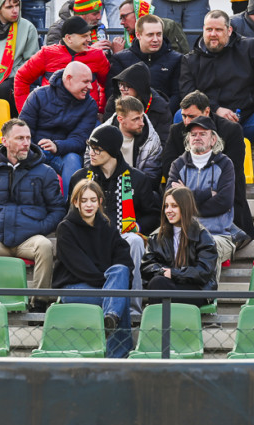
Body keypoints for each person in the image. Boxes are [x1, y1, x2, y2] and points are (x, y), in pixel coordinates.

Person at [179, 10, 254, 186]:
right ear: (203, 30)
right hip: (209, 122)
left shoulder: (250, 47)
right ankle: (186, 175)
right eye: (209, 30)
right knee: (181, 116)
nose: (213, 34)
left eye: (218, 30)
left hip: (246, 120)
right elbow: (187, 93)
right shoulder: (190, 59)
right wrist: (215, 109)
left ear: (229, 30)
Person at [0, 119, 66, 310]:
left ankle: (40, 303)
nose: (26, 143)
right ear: (5, 141)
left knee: (44, 245)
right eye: (20, 138)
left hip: (29, 240)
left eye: (28, 138)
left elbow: (58, 210)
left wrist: (41, 228)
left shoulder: (45, 173)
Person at [68, 125, 160, 315]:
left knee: (135, 241)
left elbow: (153, 214)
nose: (91, 153)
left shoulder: (137, 179)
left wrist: (136, 226)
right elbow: (69, 213)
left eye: (97, 149)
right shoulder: (81, 178)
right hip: (89, 236)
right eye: (90, 148)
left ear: (111, 151)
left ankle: (133, 308)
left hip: (123, 236)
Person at [53, 180, 134, 357]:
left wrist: (115, 282)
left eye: (93, 200)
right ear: (75, 202)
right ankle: (118, 356)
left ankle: (111, 318)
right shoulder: (66, 228)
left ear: (99, 202)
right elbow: (80, 267)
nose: (89, 205)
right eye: (84, 200)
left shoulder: (108, 227)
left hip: (103, 288)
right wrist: (111, 285)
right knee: (120, 297)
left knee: (120, 271)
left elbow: (125, 259)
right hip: (73, 288)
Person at [160, 91, 253, 242]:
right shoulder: (176, 131)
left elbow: (230, 176)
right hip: (188, 214)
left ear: (207, 111)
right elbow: (169, 169)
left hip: (227, 209)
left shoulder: (231, 130)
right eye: (184, 116)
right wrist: (208, 193)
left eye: (192, 116)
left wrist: (187, 196)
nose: (187, 121)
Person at [166, 116, 242, 280]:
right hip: (183, 233)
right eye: (193, 134)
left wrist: (186, 196)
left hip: (218, 235)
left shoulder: (225, 164)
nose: (197, 137)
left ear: (213, 139)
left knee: (208, 249)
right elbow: (171, 203)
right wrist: (208, 194)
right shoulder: (177, 165)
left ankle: (206, 300)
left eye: (202, 133)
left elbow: (223, 202)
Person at [19, 61, 100, 188]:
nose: (90, 87)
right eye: (85, 82)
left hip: (64, 153)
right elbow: (23, 130)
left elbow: (79, 139)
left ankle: (73, 205)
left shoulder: (89, 105)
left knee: (73, 159)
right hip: (34, 149)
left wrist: (57, 146)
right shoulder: (38, 95)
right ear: (69, 79)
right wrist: (35, 150)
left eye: (90, 81)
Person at [13, 16, 110, 114]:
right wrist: (26, 112)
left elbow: (108, 85)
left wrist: (101, 110)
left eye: (89, 35)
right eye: (84, 36)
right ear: (69, 38)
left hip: (86, 117)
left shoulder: (97, 55)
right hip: (51, 118)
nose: (89, 39)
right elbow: (21, 79)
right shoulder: (46, 54)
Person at [140, 186, 218, 309]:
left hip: (195, 290)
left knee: (160, 288)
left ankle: (159, 326)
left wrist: (174, 274)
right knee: (158, 283)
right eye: (166, 206)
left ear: (185, 207)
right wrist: (162, 272)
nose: (168, 210)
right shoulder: (156, 236)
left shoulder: (203, 236)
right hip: (165, 285)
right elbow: (147, 266)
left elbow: (204, 271)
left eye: (174, 206)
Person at [108, 13, 183, 111]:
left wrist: (162, 114)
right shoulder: (120, 59)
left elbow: (177, 95)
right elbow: (113, 94)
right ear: (138, 35)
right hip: (128, 116)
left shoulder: (176, 59)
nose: (155, 39)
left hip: (164, 116)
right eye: (150, 35)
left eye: (159, 34)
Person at [95, 95, 163, 178]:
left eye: (142, 117)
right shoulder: (99, 136)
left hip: (137, 187)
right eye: (136, 119)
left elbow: (151, 177)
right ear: (120, 119)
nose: (142, 123)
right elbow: (91, 167)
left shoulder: (152, 140)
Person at [103, 62, 172, 144]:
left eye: (126, 86)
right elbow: (107, 133)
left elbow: (162, 141)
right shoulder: (114, 100)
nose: (121, 89)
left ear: (139, 87)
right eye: (120, 84)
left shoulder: (160, 108)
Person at [44, 0, 111, 53]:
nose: (99, 17)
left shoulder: (99, 27)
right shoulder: (58, 29)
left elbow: (107, 58)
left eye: (100, 12)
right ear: (81, 15)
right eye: (95, 14)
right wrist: (90, 50)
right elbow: (54, 57)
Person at [112, 0, 189, 54]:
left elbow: (182, 56)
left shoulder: (168, 27)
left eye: (124, 17)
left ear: (137, 12)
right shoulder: (125, 40)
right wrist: (118, 54)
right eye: (150, 35)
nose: (121, 22)